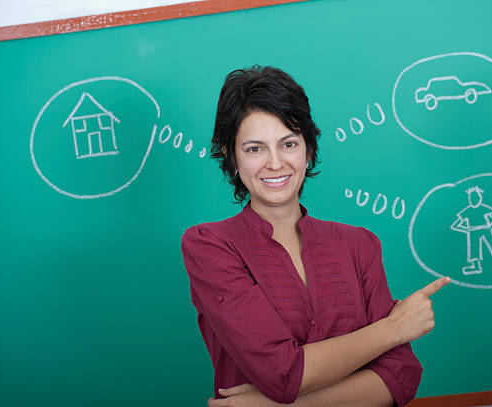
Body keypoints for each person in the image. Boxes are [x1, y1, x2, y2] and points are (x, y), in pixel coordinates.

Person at [181, 65, 450, 407]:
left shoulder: (359, 244)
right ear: (230, 156)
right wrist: (394, 329)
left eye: (288, 143)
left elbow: (400, 376)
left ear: (308, 150)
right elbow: (282, 374)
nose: (275, 163)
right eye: (254, 149)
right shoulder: (210, 245)